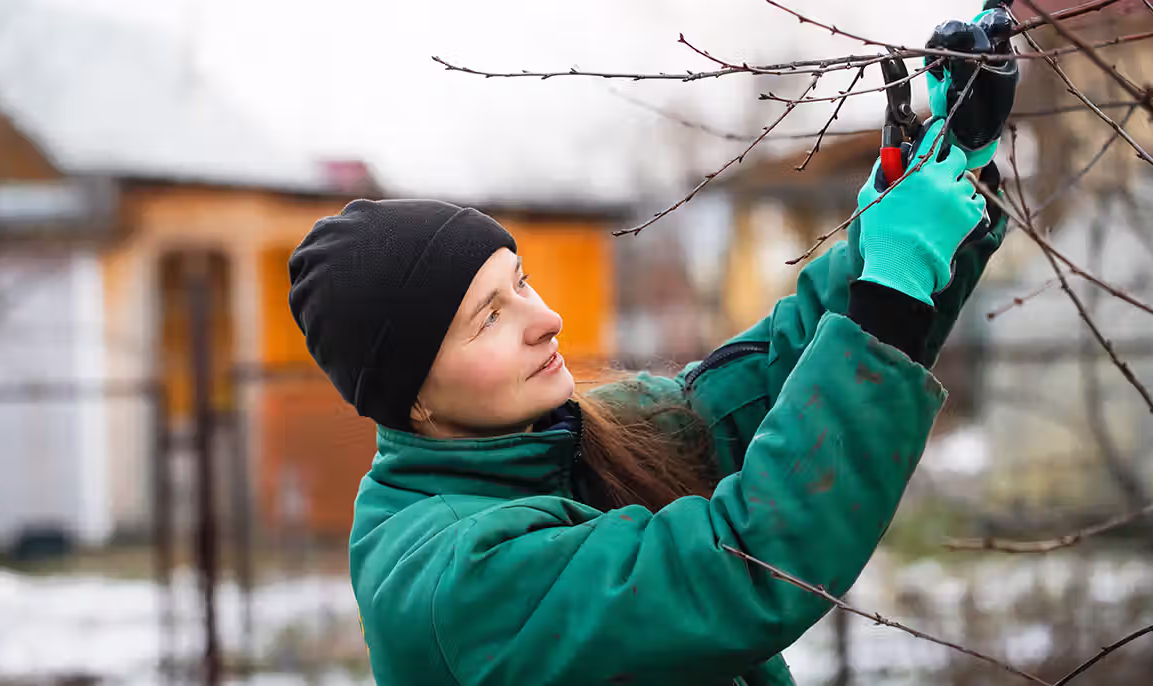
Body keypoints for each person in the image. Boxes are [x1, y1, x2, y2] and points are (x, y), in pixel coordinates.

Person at [286, 9, 1015, 685]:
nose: (545, 321)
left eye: (523, 282)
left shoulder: (568, 443)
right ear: (411, 394)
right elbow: (742, 570)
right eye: (488, 318)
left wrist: (940, 177)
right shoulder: (457, 581)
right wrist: (891, 287)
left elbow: (766, 383)